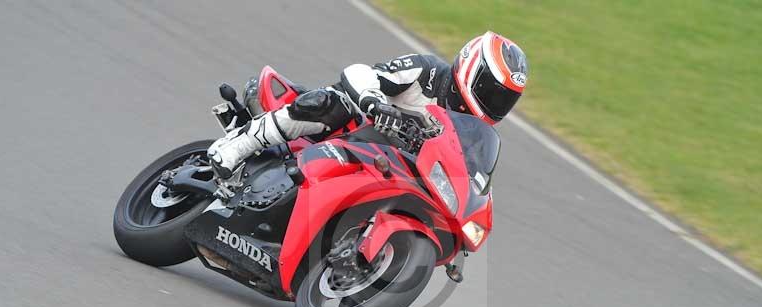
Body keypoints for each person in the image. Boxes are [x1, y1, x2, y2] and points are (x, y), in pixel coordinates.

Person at [208, 31, 529, 178]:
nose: (495, 102)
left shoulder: (474, 134)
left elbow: (467, 178)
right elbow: (361, 73)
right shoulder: (428, 71)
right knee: (335, 102)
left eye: (505, 99)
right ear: (473, 68)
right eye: (492, 90)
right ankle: (239, 143)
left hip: (387, 172)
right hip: (355, 132)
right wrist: (375, 103)